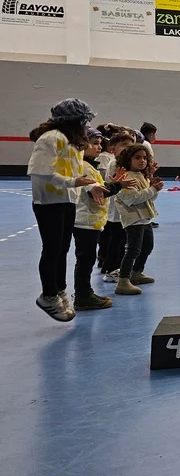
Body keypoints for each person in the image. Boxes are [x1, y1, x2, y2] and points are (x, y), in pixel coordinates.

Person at [28, 99, 103, 322]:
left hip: (68, 200)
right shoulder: (50, 138)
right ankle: (48, 295)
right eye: (83, 121)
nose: (85, 126)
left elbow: (77, 174)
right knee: (52, 249)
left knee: (62, 249)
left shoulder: (73, 143)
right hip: (48, 202)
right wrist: (73, 183)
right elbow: (40, 172)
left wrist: (90, 186)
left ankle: (59, 289)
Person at [73, 129, 125, 311]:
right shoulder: (82, 166)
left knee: (87, 258)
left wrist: (113, 184)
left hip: (92, 222)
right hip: (85, 222)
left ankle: (85, 292)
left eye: (100, 143)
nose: (99, 147)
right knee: (85, 260)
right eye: (94, 143)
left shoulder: (90, 166)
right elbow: (98, 192)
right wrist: (118, 185)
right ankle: (83, 295)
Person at [113, 143, 163, 296]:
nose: (142, 161)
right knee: (133, 250)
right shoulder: (125, 177)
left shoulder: (141, 175)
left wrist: (154, 188)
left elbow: (149, 197)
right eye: (137, 158)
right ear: (128, 159)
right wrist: (152, 189)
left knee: (147, 246)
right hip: (134, 219)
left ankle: (136, 272)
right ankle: (123, 280)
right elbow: (133, 199)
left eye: (145, 158)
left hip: (145, 218)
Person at [99, 131, 136, 281]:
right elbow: (113, 185)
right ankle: (111, 270)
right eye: (124, 145)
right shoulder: (115, 164)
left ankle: (116, 267)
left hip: (126, 208)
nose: (128, 148)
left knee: (122, 241)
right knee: (116, 240)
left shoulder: (127, 163)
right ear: (113, 149)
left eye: (131, 145)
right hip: (116, 210)